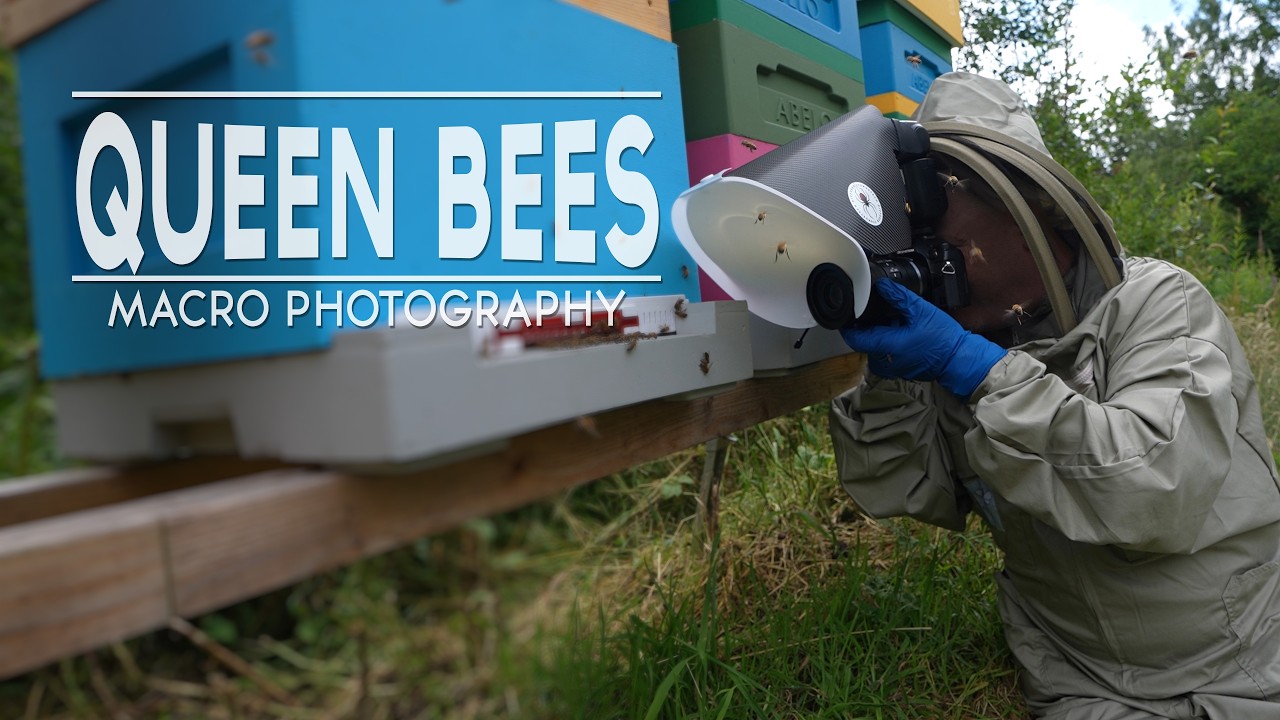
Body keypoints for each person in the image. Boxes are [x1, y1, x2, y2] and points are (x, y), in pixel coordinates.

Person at [829, 72, 1280, 720]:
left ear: (1029, 207)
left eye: (945, 241)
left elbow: (1157, 491)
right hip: (1080, 681)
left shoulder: (1157, 304)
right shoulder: (966, 343)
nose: (931, 255)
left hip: (1240, 671)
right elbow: (899, 489)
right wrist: (890, 377)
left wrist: (979, 371)